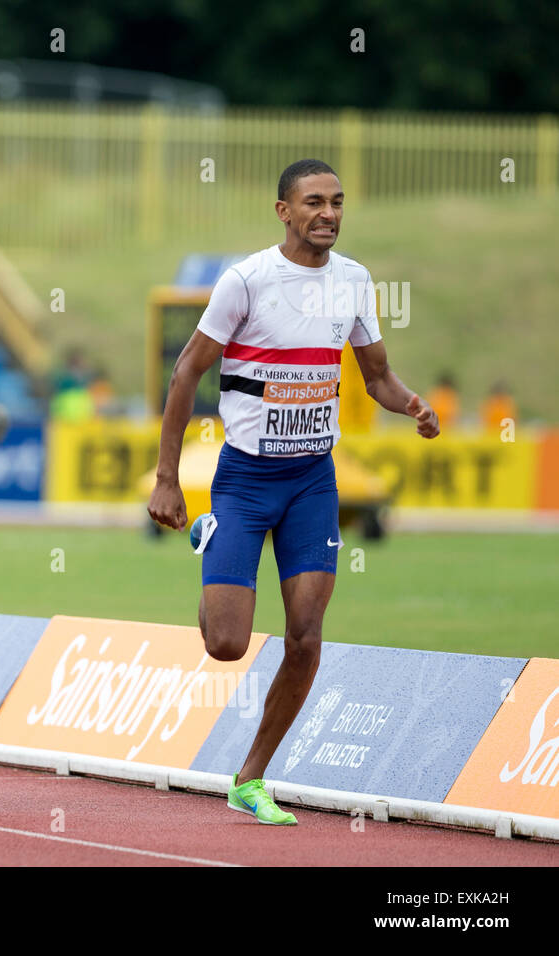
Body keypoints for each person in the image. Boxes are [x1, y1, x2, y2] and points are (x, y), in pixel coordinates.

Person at [147, 159, 439, 825]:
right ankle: (210, 538)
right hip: (245, 482)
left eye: (337, 202)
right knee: (226, 644)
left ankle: (250, 778)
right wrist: (168, 478)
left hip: (312, 480)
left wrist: (413, 405)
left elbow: (378, 378)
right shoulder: (246, 281)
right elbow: (186, 374)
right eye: (313, 202)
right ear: (284, 210)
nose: (328, 214)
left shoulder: (356, 282)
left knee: (305, 635)